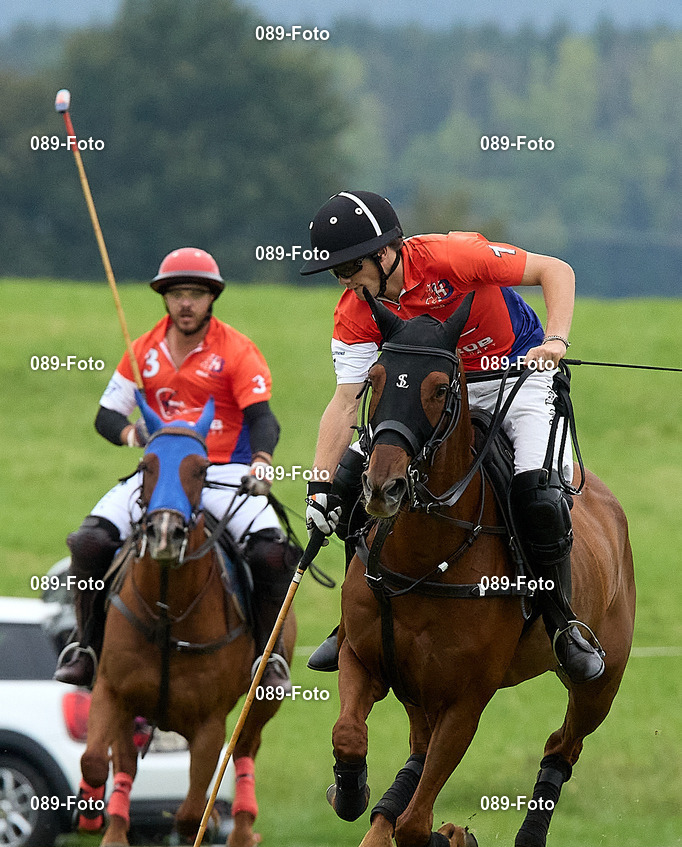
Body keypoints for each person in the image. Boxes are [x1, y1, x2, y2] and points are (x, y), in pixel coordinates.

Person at [300, 190, 604, 684]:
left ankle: (561, 622)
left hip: (515, 377)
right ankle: (354, 618)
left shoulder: (452, 257)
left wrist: (555, 339)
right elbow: (344, 402)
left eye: (350, 267)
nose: (344, 280)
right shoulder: (355, 310)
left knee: (540, 498)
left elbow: (556, 270)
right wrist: (319, 485)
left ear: (386, 252)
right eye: (336, 271)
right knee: (354, 482)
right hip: (430, 396)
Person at [55, 247, 295, 689]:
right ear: (164, 297)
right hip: (159, 475)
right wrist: (133, 435)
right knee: (88, 543)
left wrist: (261, 462)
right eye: (177, 294)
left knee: (273, 555)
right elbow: (106, 416)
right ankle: (86, 647)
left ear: (212, 298)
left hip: (223, 472)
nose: (186, 303)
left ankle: (269, 656)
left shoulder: (237, 350)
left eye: (196, 294)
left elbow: (263, 418)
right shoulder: (142, 349)